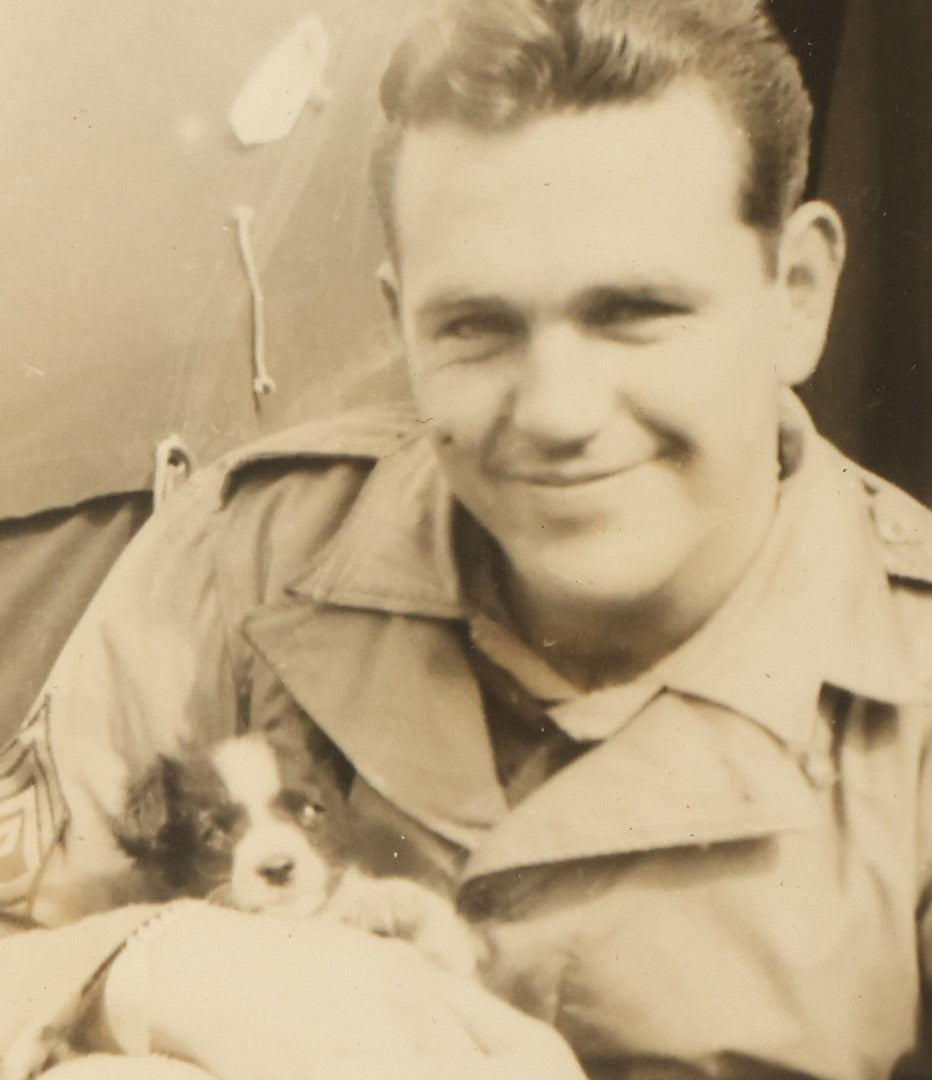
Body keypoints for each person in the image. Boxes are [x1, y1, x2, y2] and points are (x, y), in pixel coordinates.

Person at [2, 0, 931, 1077]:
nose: (555, 409)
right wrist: (149, 969)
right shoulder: (244, 549)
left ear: (798, 296)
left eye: (635, 310)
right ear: (400, 320)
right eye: (476, 326)